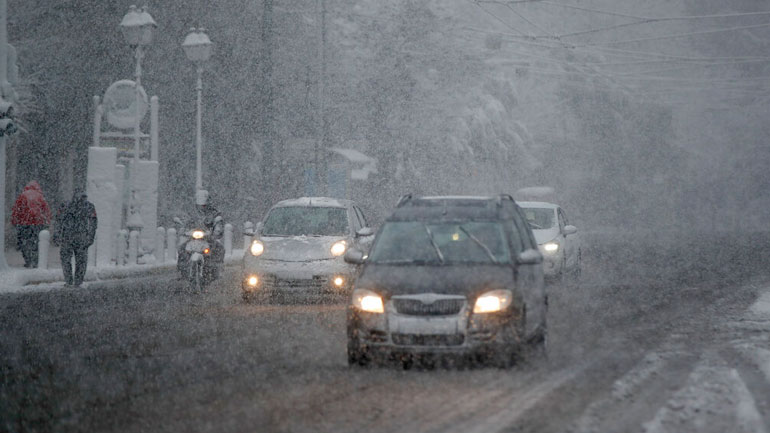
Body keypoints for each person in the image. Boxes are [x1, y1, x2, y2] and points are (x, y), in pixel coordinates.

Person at [53, 192, 97, 287]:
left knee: (66, 259)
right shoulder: (89, 206)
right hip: (81, 236)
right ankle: (78, 281)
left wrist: (57, 235)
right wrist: (90, 237)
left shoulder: (65, 205)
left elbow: (58, 220)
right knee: (81, 260)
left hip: (67, 236)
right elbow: (93, 223)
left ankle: (69, 280)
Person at [177, 189, 225, 276]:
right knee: (182, 249)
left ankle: (217, 269)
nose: (202, 208)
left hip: (208, 238)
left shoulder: (213, 213)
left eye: (204, 206)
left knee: (219, 248)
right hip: (193, 238)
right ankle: (181, 270)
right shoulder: (191, 213)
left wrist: (217, 231)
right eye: (200, 206)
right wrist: (182, 229)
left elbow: (218, 222)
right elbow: (185, 222)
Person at [11, 181, 52, 268]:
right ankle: (36, 260)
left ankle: (28, 260)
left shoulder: (22, 195)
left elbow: (16, 210)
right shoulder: (40, 196)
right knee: (37, 243)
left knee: (24, 243)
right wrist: (47, 221)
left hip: (24, 223)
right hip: (38, 223)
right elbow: (46, 210)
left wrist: (14, 221)